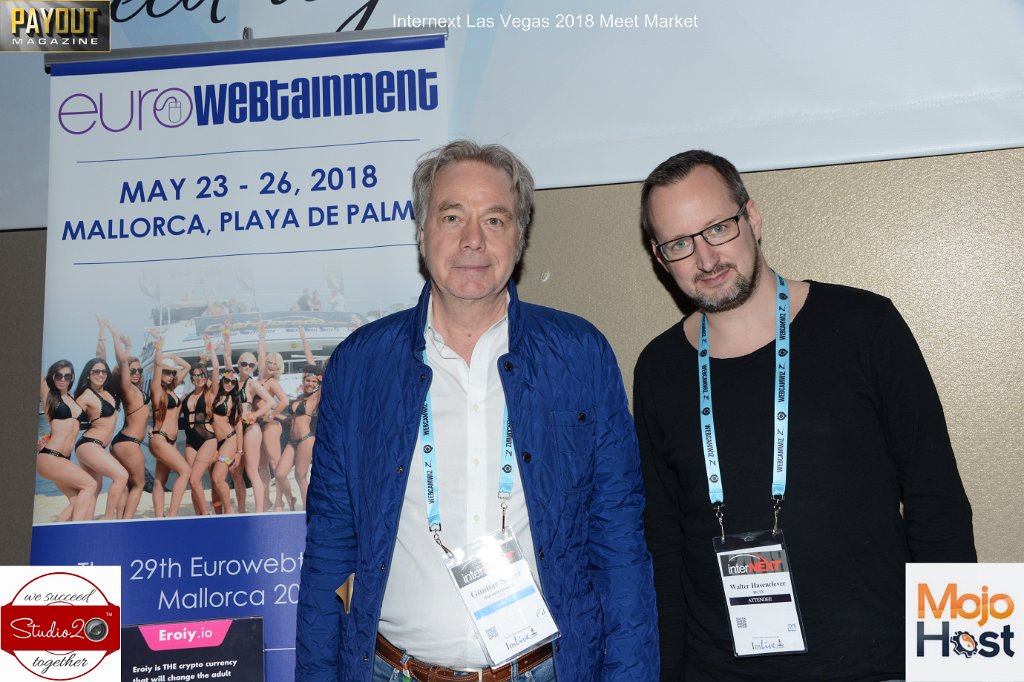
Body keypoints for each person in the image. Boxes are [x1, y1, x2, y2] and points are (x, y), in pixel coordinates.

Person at [296, 140, 658, 682]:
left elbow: (620, 545)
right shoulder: (361, 364)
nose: (473, 239)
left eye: (494, 219)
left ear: (520, 236)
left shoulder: (579, 356)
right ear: (422, 233)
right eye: (452, 216)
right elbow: (329, 544)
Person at [633, 149, 976, 681]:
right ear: (661, 258)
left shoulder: (865, 325)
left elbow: (938, 503)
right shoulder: (659, 369)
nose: (705, 258)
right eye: (680, 243)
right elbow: (664, 541)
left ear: (752, 218)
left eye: (718, 228)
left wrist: (959, 668)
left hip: (876, 664)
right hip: (720, 670)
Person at [37, 361, 97, 522]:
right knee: (90, 485)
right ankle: (77, 530)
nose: (62, 379)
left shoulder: (72, 398)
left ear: (72, 378)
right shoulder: (49, 395)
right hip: (51, 456)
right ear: (52, 376)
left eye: (67, 376)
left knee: (76, 501)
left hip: (63, 460)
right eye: (58, 375)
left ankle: (56, 531)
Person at [74, 357, 128, 521]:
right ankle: (107, 518)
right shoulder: (85, 396)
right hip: (89, 445)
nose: (100, 374)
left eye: (103, 371)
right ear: (88, 374)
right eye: (96, 371)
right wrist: (49, 437)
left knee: (95, 488)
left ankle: (87, 523)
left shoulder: (108, 392)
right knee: (121, 476)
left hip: (96, 447)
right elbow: (69, 420)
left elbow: (122, 367)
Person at [149, 333, 192, 518]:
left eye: (172, 373)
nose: (170, 376)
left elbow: (187, 367)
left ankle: (159, 517)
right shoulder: (157, 390)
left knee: (160, 479)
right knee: (185, 471)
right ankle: (172, 515)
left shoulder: (171, 390)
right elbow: (158, 365)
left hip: (170, 441)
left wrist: (173, 357)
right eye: (166, 373)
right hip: (161, 438)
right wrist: (160, 349)